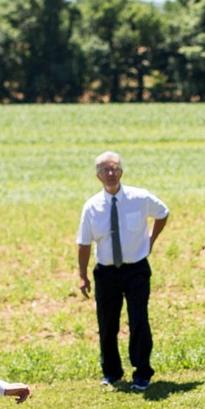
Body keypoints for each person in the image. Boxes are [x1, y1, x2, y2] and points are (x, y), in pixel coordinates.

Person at [75, 151, 169, 391]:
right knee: (107, 323)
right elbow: (84, 243)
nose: (111, 173)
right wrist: (82, 275)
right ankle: (112, 372)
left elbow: (162, 213)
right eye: (105, 170)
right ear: (98, 176)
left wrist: (151, 241)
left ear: (122, 171)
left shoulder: (139, 197)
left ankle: (142, 372)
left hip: (136, 269)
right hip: (106, 272)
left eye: (115, 168)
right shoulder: (92, 207)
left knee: (139, 320)